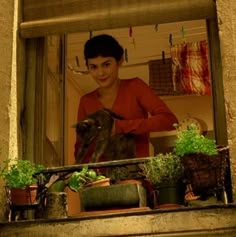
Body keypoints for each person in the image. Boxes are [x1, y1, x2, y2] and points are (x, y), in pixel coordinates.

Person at [74, 34, 178, 164]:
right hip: (99, 180)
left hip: (136, 177)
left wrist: (120, 127)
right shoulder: (86, 101)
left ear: (120, 61)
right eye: (93, 67)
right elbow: (80, 149)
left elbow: (170, 121)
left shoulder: (135, 87)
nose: (100, 73)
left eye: (106, 64)